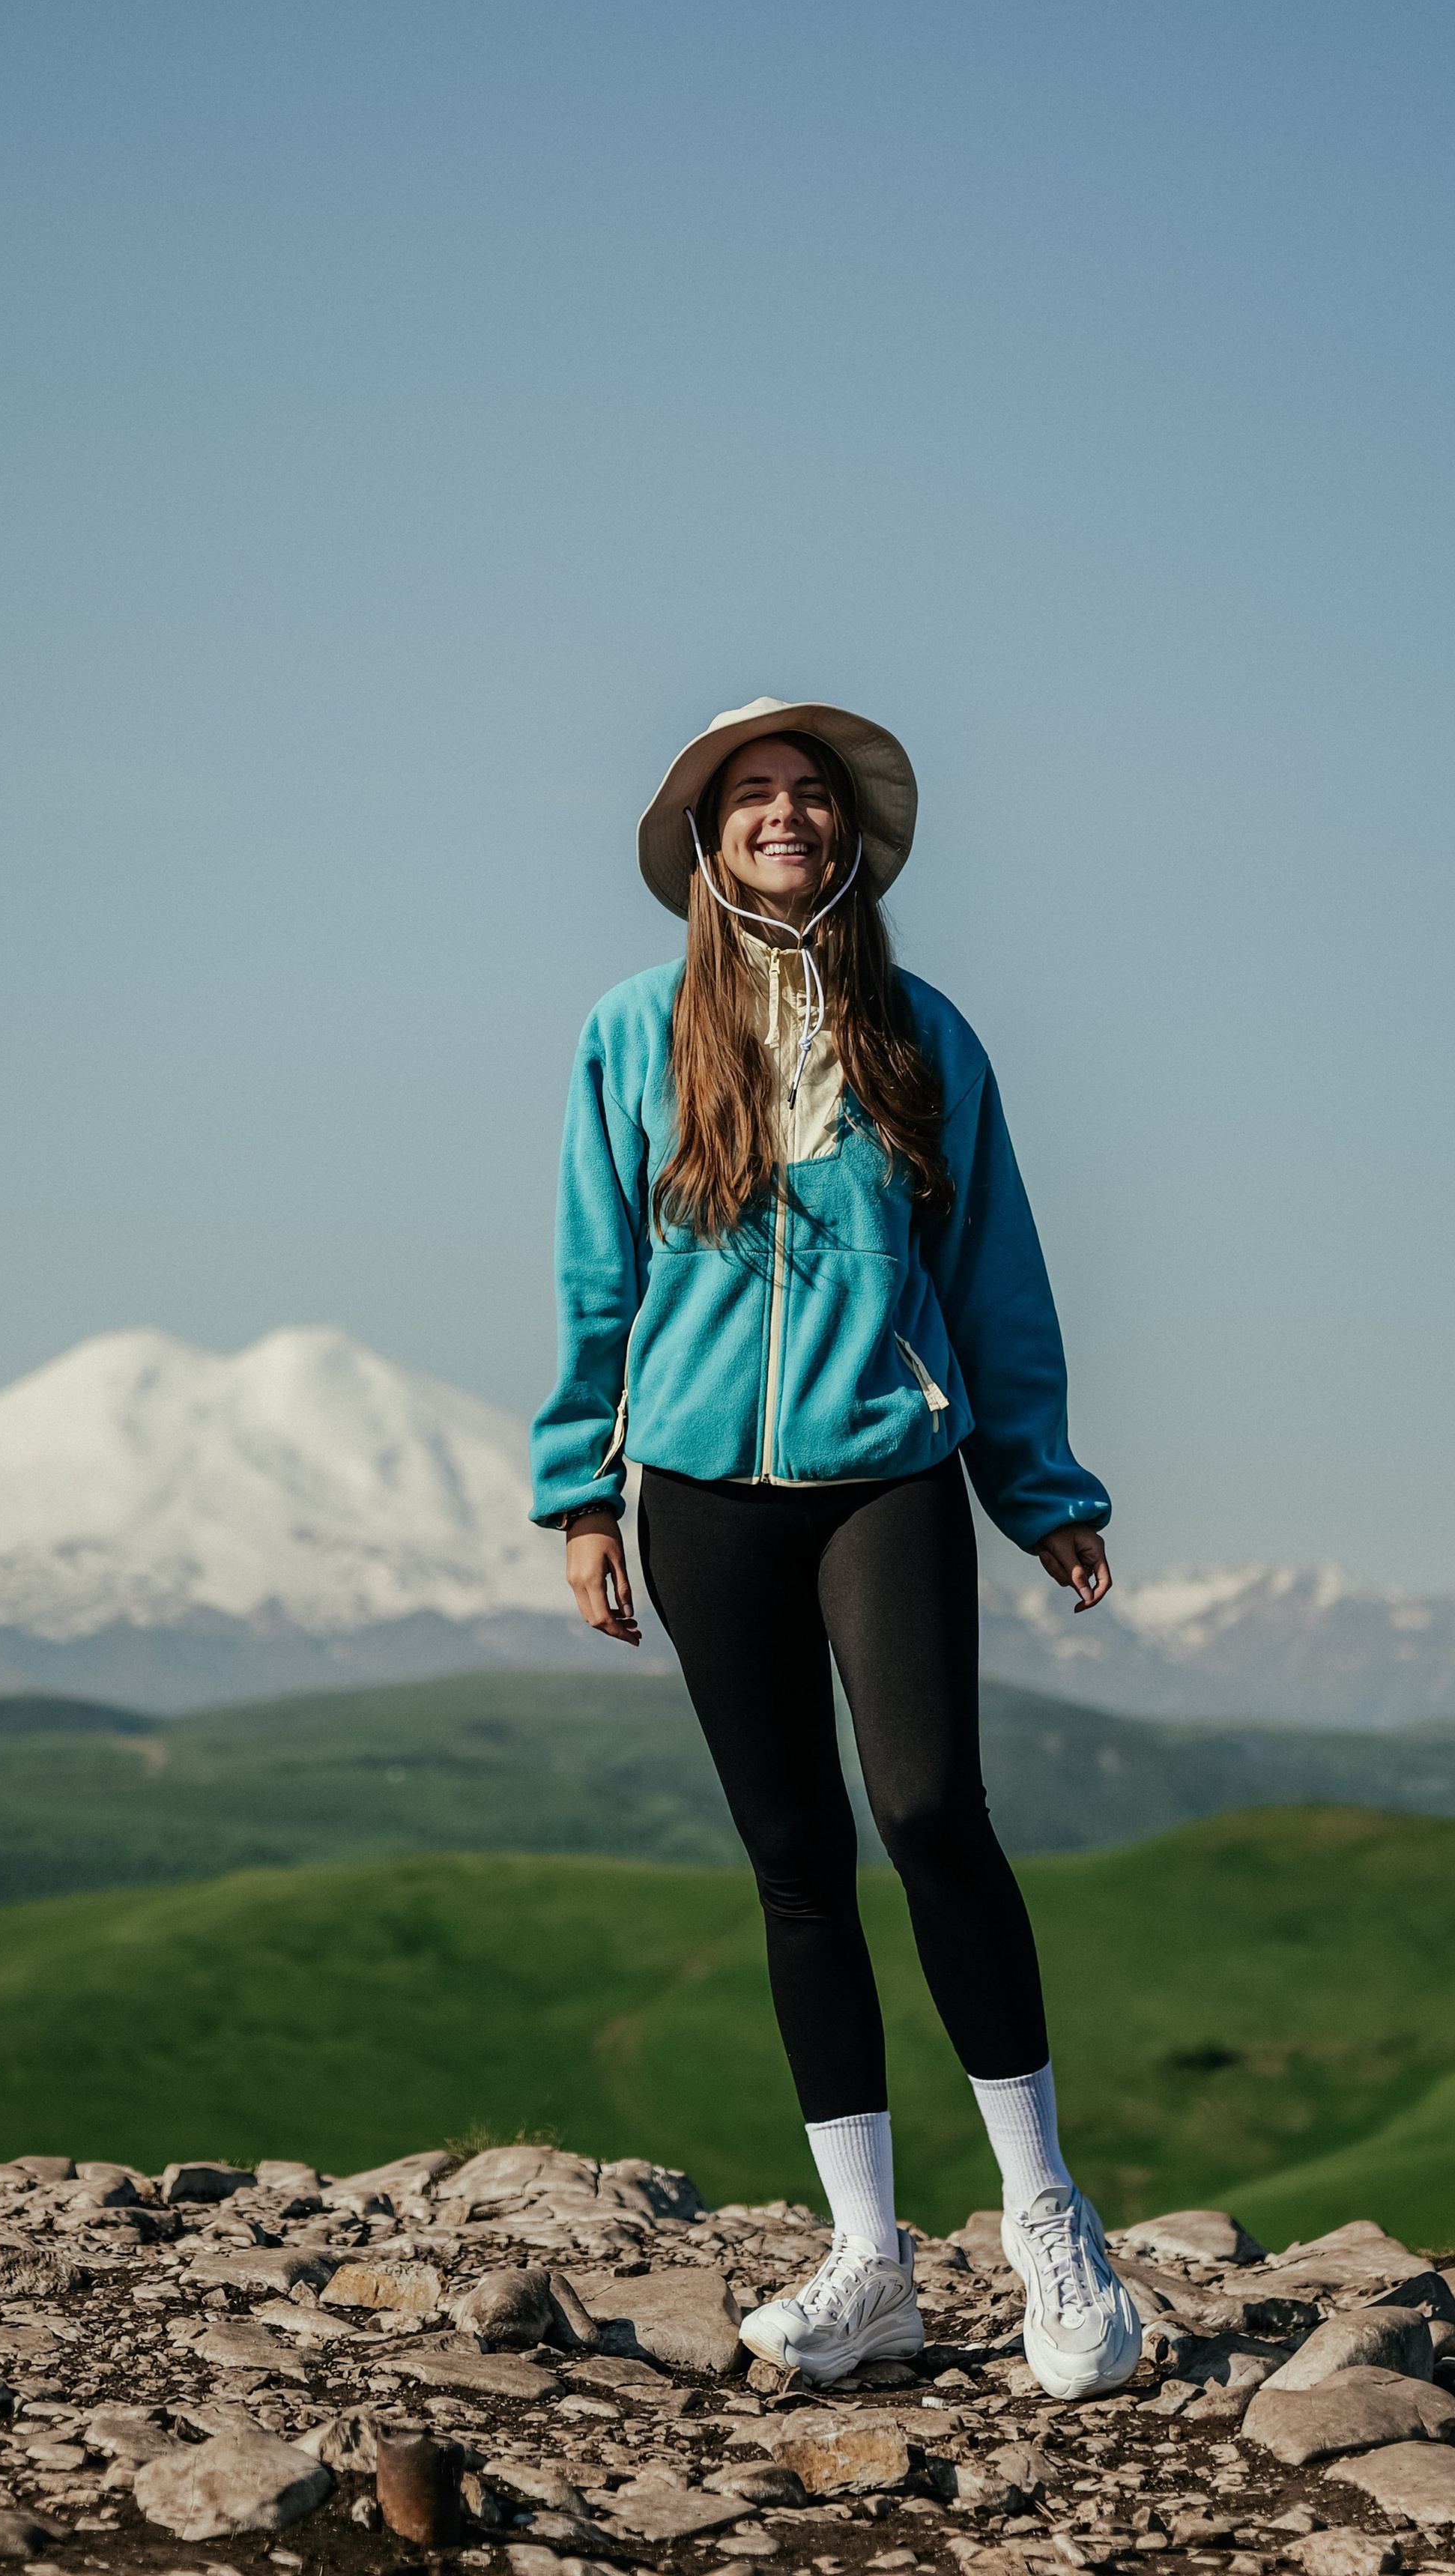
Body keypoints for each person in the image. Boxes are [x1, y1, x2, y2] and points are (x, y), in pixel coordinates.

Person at [529, 695, 1142, 2401]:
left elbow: (993, 1275)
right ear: (706, 838)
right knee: (795, 1867)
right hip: (701, 1492)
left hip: (889, 1471)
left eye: (808, 794)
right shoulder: (628, 1034)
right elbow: (596, 1279)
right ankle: (867, 2263)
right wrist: (581, 1493)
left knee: (930, 1812)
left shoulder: (919, 1033)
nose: (784, 815)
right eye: (752, 796)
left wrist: (1041, 1486)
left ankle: (1045, 2224)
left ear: (846, 834)